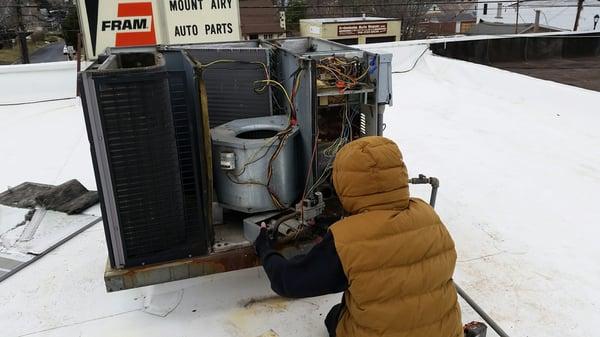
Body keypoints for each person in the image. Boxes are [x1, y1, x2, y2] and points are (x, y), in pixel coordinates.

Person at [254, 136, 462, 337]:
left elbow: (289, 281)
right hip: (447, 331)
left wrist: (265, 247)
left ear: (345, 182)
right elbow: (388, 240)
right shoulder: (427, 214)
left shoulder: (346, 240)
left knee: (335, 317)